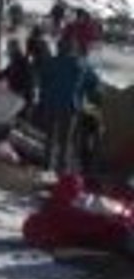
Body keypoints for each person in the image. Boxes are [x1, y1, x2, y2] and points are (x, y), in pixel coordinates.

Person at [37, 36, 100, 175]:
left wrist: (43, 98)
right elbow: (94, 84)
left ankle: (47, 169)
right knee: (66, 142)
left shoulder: (51, 63)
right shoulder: (81, 64)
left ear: (59, 48)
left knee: (50, 139)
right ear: (74, 48)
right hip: (70, 106)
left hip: (51, 104)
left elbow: (41, 81)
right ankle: (62, 172)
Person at [0, 39, 35, 115]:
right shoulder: (15, 62)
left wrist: (23, 92)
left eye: (9, 48)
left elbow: (28, 80)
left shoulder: (21, 62)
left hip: (20, 95)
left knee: (19, 116)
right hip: (17, 94)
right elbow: (5, 73)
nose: (9, 51)